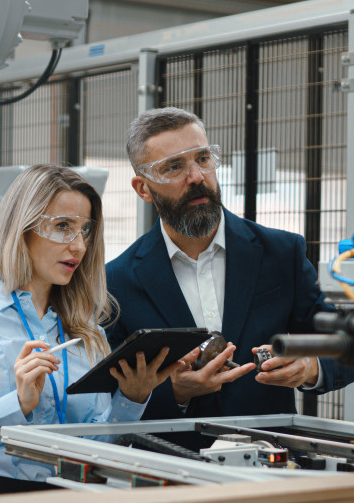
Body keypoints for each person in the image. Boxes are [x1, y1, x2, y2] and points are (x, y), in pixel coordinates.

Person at [0, 164, 182, 498]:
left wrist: (132, 398)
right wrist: (17, 404)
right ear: (21, 228)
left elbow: (97, 447)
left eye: (84, 231)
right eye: (62, 226)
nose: (79, 246)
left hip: (75, 499)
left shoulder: (89, 333)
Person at [106, 106, 353, 430]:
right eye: (174, 166)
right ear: (143, 189)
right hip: (168, 470)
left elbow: (341, 345)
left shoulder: (281, 253)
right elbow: (108, 396)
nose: (196, 177)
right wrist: (175, 392)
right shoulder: (116, 282)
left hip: (269, 466)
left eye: (203, 159)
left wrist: (311, 367)